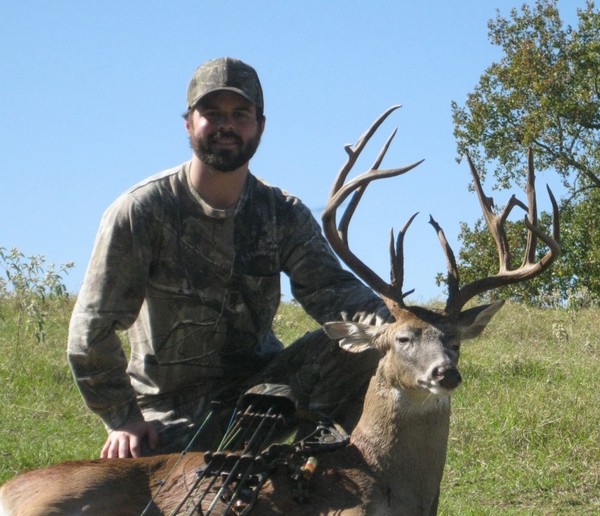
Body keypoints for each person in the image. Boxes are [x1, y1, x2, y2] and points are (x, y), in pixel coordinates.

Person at [67, 57, 387, 459]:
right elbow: (90, 330)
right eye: (212, 113)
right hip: (171, 416)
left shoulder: (282, 213)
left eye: (240, 114)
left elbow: (331, 291)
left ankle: (323, 466)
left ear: (260, 126)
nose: (227, 126)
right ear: (189, 123)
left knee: (366, 346)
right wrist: (123, 418)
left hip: (266, 393)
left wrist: (399, 327)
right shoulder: (142, 211)